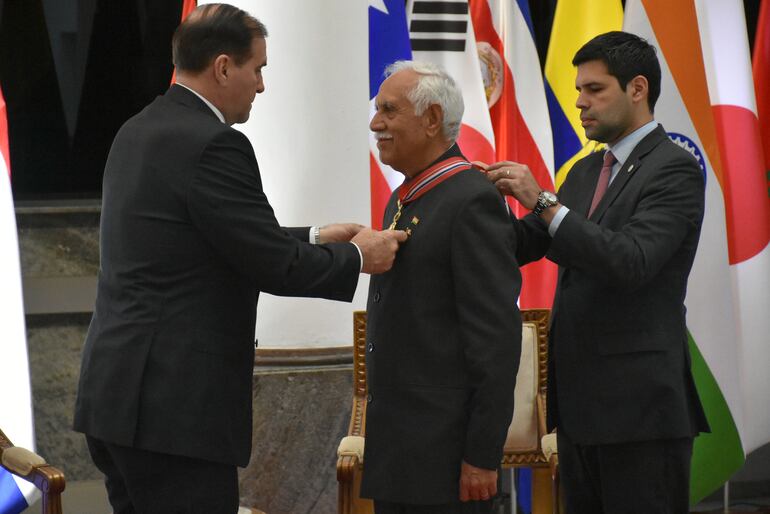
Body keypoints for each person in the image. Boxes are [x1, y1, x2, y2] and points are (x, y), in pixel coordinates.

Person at [73, 4, 406, 513]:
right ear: (224, 67)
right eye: (259, 70)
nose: (262, 86)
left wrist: (315, 235)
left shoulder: (138, 129)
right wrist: (357, 256)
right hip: (174, 412)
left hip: (117, 399)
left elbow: (201, 239)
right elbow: (271, 263)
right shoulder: (215, 144)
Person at [483, 31, 710, 514]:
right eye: (578, 90)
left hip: (641, 412)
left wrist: (542, 200)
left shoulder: (674, 168)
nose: (580, 102)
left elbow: (630, 260)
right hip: (580, 410)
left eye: (594, 89)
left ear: (638, 89)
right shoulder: (585, 172)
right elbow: (526, 242)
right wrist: (470, 206)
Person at [361, 60, 522, 514]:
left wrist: (481, 454)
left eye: (388, 110)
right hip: (402, 453)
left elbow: (495, 342)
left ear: (432, 119)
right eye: (377, 110)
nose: (376, 123)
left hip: (447, 460)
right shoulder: (407, 193)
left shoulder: (470, 198)